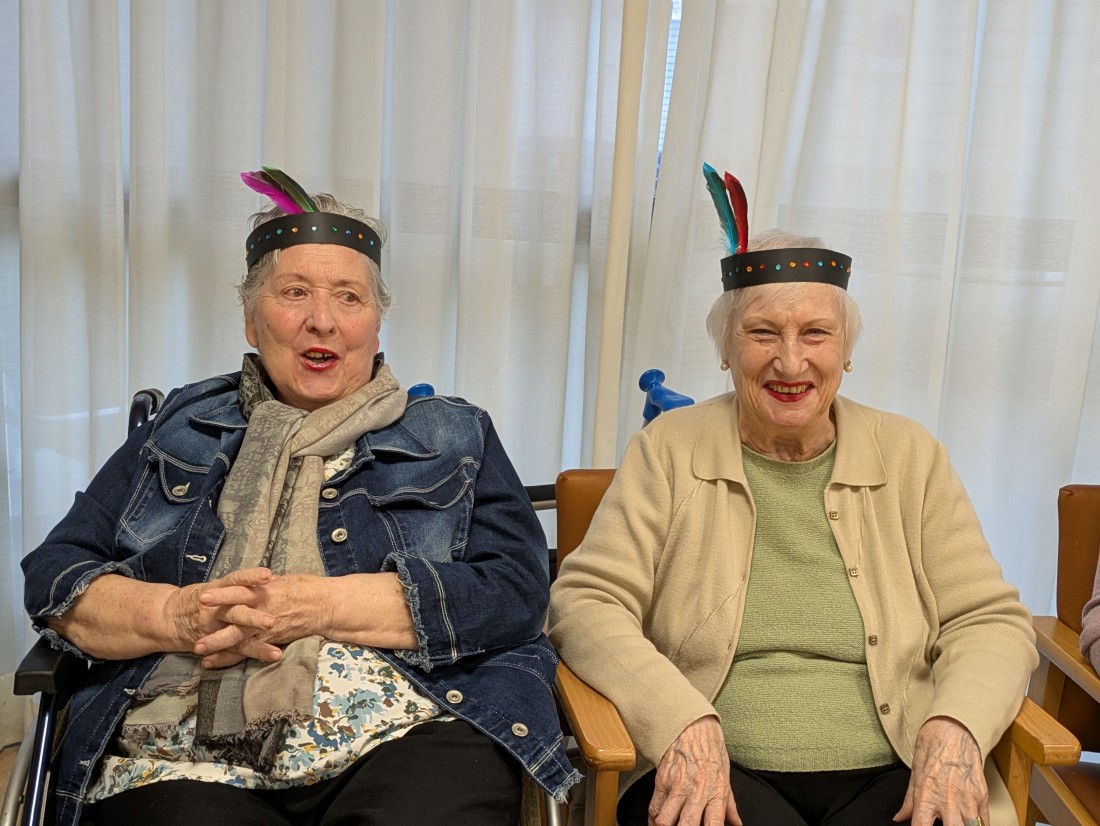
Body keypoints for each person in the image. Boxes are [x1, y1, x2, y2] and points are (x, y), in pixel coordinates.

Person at [23, 167, 579, 826]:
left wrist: (321, 605)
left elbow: (516, 591)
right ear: (251, 319)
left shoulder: (454, 435)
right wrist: (177, 616)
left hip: (415, 725)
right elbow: (56, 573)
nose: (323, 321)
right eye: (294, 293)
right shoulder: (181, 427)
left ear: (376, 323)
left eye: (349, 297)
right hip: (180, 753)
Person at [547, 164, 1037, 826]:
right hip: (716, 769)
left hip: (897, 765)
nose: (790, 360)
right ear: (727, 350)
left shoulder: (909, 454)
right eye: (762, 333)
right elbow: (586, 602)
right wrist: (680, 719)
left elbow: (988, 619)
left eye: (815, 333)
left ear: (846, 350)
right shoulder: (668, 449)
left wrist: (956, 725)